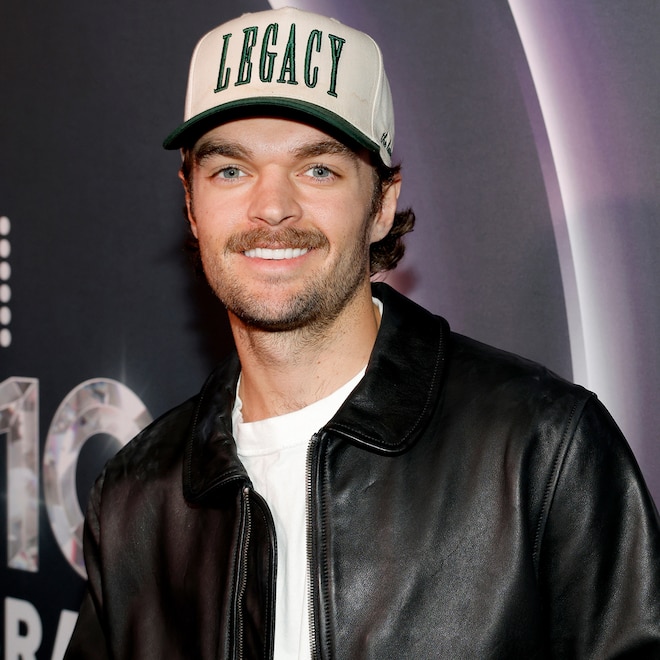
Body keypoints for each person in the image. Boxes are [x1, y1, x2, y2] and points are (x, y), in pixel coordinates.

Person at [65, 7, 660, 659]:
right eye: (230, 170)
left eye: (317, 169)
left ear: (381, 204)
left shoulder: (542, 452)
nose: (272, 207)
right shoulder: (135, 499)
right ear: (191, 203)